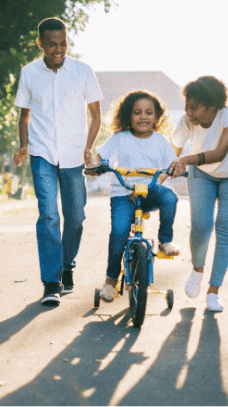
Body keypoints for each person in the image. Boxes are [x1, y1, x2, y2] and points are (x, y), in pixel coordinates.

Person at [12, 17, 103, 306]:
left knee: (75, 217)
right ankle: (51, 282)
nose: (59, 49)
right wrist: (24, 145)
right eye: (52, 44)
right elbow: (24, 116)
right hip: (42, 155)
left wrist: (88, 147)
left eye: (63, 43)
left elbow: (96, 115)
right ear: (40, 44)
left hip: (75, 155)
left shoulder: (82, 71)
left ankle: (67, 266)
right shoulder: (29, 73)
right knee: (49, 215)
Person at [168, 76, 228, 312]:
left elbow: (220, 153)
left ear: (212, 105)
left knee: (225, 229)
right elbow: (169, 154)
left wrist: (185, 159)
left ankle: (214, 291)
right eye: (187, 106)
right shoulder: (187, 121)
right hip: (202, 174)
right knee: (201, 226)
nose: (188, 112)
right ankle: (197, 269)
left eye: (194, 107)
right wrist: (156, 178)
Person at [89, 91, 180, 302]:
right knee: (119, 233)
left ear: (157, 118)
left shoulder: (161, 141)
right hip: (123, 193)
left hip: (149, 191)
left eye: (149, 113)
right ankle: (110, 281)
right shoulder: (119, 138)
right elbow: (99, 158)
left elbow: (171, 165)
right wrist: (95, 166)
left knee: (170, 198)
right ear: (128, 116)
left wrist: (173, 170)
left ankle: (165, 241)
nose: (143, 117)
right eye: (137, 112)